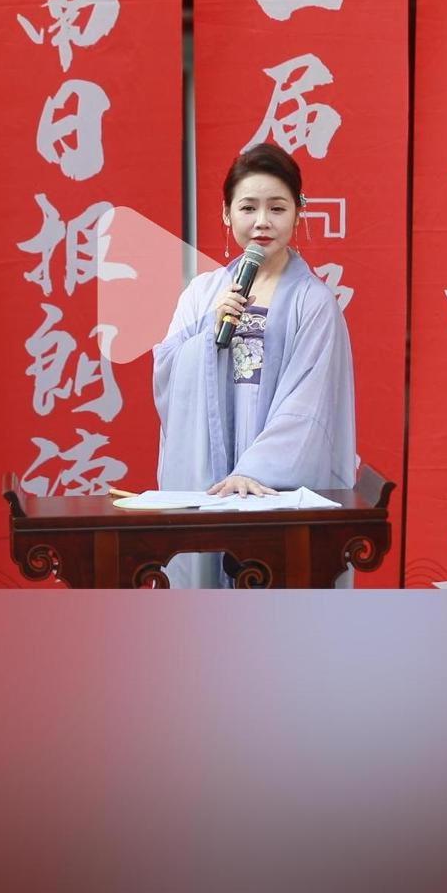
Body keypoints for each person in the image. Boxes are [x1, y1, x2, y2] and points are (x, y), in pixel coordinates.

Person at [152, 142, 357, 588]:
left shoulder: (314, 303)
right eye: (248, 207)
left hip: (273, 484)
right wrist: (208, 332)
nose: (262, 221)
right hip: (208, 474)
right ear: (226, 214)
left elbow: (310, 404)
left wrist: (254, 471)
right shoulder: (202, 293)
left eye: (277, 208)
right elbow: (166, 372)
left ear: (298, 214)